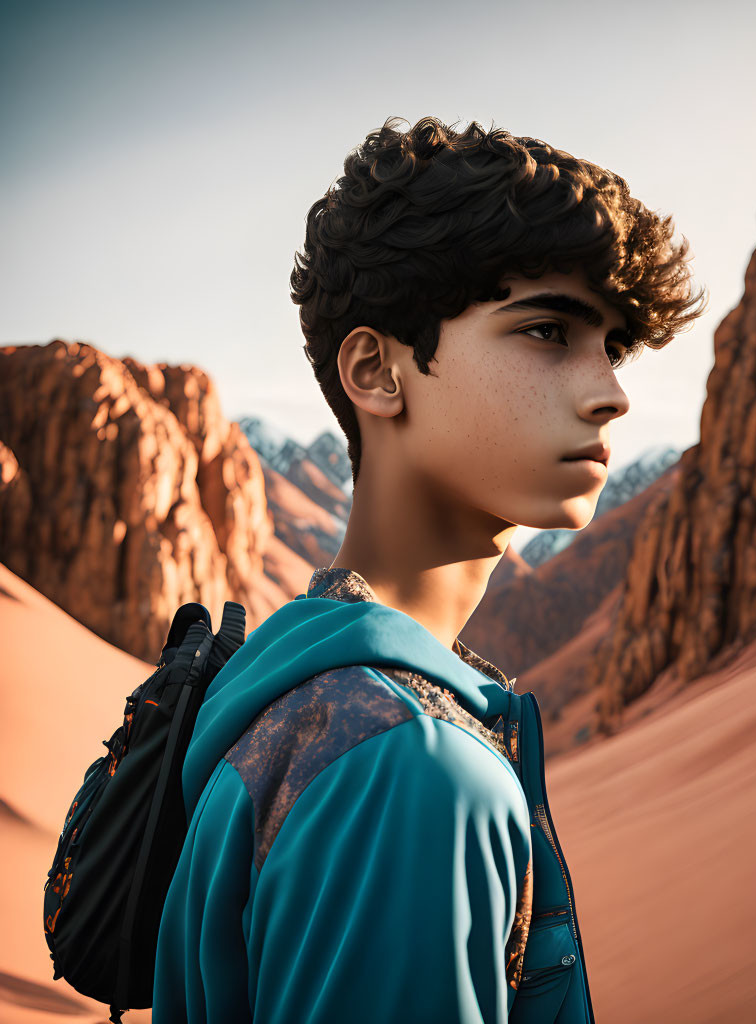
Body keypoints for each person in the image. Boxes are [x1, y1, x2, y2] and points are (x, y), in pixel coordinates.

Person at [152, 115, 704, 1023]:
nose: (611, 391)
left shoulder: (283, 690)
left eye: (613, 346)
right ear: (378, 371)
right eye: (546, 332)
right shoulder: (411, 766)